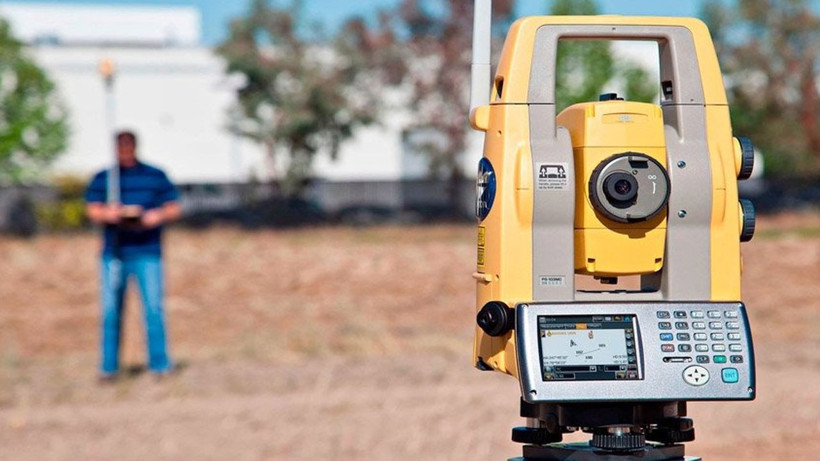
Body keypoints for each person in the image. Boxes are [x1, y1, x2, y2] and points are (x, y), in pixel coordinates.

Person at [85, 130, 181, 380]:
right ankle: (109, 368)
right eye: (120, 147)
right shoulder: (105, 178)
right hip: (114, 253)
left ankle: (160, 365)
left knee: (153, 310)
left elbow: (173, 208)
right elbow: (93, 210)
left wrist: (154, 217)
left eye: (128, 147)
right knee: (110, 311)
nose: (124, 152)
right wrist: (110, 214)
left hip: (147, 252)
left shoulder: (154, 176)